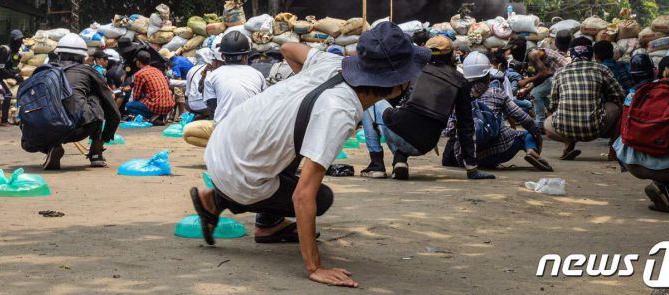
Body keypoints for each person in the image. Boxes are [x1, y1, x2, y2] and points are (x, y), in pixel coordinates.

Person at [189, 22, 429, 288]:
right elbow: (302, 196)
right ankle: (219, 201)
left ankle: (261, 219)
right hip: (238, 170)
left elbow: (289, 48)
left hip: (225, 141)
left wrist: (302, 91)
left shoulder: (331, 62)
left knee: (295, 146)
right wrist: (315, 267)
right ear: (397, 85)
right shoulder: (338, 110)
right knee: (320, 197)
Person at [380, 35, 494, 180]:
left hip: (399, 129)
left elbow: (392, 99)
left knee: (376, 103)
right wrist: (472, 168)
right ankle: (400, 160)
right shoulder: (460, 81)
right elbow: (465, 125)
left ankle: (376, 164)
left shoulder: (414, 71)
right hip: (426, 142)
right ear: (451, 55)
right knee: (409, 124)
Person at [613, 40, 669, 212]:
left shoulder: (651, 86)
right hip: (665, 165)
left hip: (630, 159)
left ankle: (668, 193)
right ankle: (665, 187)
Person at [442, 52, 551, 171]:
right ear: (488, 76)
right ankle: (530, 150)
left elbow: (449, 131)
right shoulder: (497, 92)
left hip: (466, 158)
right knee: (524, 135)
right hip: (499, 151)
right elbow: (524, 119)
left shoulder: (459, 95)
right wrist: (537, 137)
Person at [42, 34, 121, 169]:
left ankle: (51, 147)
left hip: (35, 135)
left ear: (59, 54)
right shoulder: (88, 71)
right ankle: (96, 151)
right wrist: (104, 138)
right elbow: (113, 111)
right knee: (96, 98)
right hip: (76, 130)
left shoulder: (44, 71)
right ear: (83, 57)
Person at [545, 37, 626, 161]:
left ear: (570, 53)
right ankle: (613, 152)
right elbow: (619, 96)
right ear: (592, 54)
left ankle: (568, 142)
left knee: (547, 123)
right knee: (621, 108)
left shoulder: (560, 72)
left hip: (563, 130)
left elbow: (553, 104)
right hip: (594, 129)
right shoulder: (601, 69)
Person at [184, 32, 267, 148]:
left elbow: (212, 108)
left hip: (225, 131)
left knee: (188, 132)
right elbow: (265, 105)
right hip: (253, 131)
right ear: (246, 56)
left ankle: (223, 147)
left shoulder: (212, 76)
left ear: (223, 56)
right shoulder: (258, 74)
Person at [506, 35, 570, 131]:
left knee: (536, 93)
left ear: (517, 49)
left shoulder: (533, 54)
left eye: (512, 50)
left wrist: (526, 81)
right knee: (537, 93)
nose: (511, 53)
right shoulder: (530, 55)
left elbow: (544, 73)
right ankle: (556, 116)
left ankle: (540, 124)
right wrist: (527, 90)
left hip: (565, 76)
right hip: (557, 77)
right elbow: (541, 77)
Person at [0, 29, 25, 125]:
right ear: (12, 41)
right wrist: (14, 76)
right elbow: (0, 69)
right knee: (7, 95)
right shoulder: (4, 50)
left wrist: (16, 73)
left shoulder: (13, 53)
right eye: (18, 41)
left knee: (3, 95)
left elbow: (8, 68)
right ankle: (3, 121)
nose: (20, 43)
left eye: (21, 41)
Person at [124, 50, 175, 122]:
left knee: (129, 105)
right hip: (169, 105)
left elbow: (136, 96)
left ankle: (152, 116)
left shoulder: (139, 74)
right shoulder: (157, 70)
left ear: (138, 62)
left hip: (156, 105)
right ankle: (161, 115)